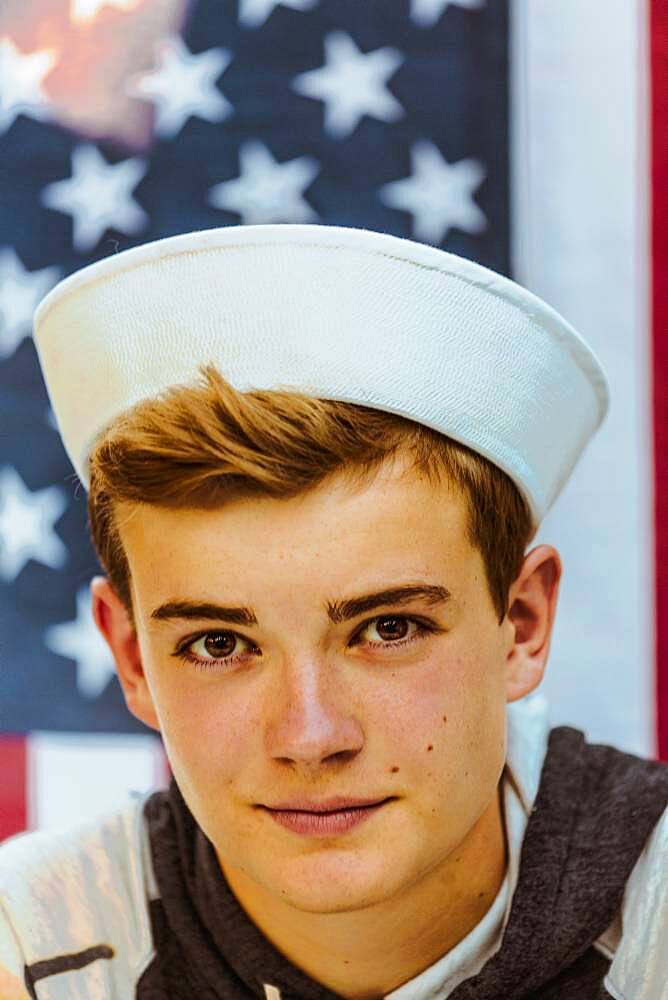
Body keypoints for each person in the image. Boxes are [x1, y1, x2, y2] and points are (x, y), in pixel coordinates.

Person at [0, 224, 666, 1000]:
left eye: (390, 629)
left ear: (520, 624)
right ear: (132, 657)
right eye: (219, 643)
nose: (310, 737)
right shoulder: (32, 947)